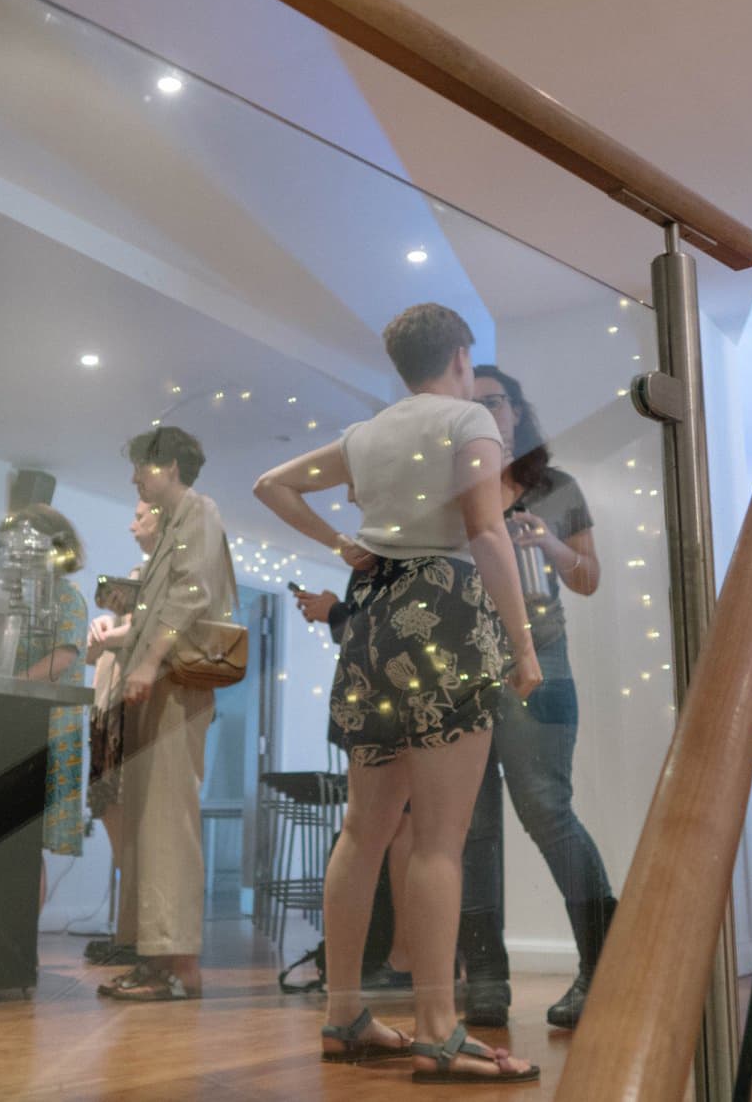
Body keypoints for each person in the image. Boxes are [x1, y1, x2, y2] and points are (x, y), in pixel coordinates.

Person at [256, 302, 540, 1084]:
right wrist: (521, 643)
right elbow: (484, 531)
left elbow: (271, 484)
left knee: (365, 828)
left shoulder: (368, 434)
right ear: (460, 356)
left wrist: (340, 543)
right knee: (440, 838)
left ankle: (344, 1013)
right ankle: (438, 1030)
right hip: (444, 610)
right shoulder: (468, 420)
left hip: (372, 616)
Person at [455, 364, 615, 1030]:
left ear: (516, 411)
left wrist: (548, 543)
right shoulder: (451, 490)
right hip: (459, 666)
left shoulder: (556, 488)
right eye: (471, 405)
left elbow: (589, 579)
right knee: (470, 829)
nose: (486, 414)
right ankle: (486, 980)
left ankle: (604, 967)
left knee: (546, 808)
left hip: (540, 661)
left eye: (494, 402)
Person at [98, 427, 233, 1002]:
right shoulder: (175, 525)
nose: (135, 477)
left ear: (171, 466)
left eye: (143, 466)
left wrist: (149, 661)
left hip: (176, 685)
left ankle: (178, 966)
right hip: (158, 689)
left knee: (167, 823)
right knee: (148, 824)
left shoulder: (199, 513)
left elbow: (191, 595)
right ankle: (155, 959)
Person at [83, 499, 161, 967]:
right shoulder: (139, 574)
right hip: (109, 709)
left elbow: (152, 631)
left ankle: (135, 934)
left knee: (131, 825)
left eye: (140, 516)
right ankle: (128, 932)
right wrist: (108, 626)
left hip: (131, 710)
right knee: (116, 820)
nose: (132, 525)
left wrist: (110, 633)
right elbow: (107, 641)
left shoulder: (165, 575)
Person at [10, 504, 91, 880]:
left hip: (51, 726)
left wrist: (15, 683)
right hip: (25, 720)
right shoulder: (26, 597)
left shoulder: (66, 595)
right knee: (18, 839)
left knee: (29, 844)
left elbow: (63, 656)